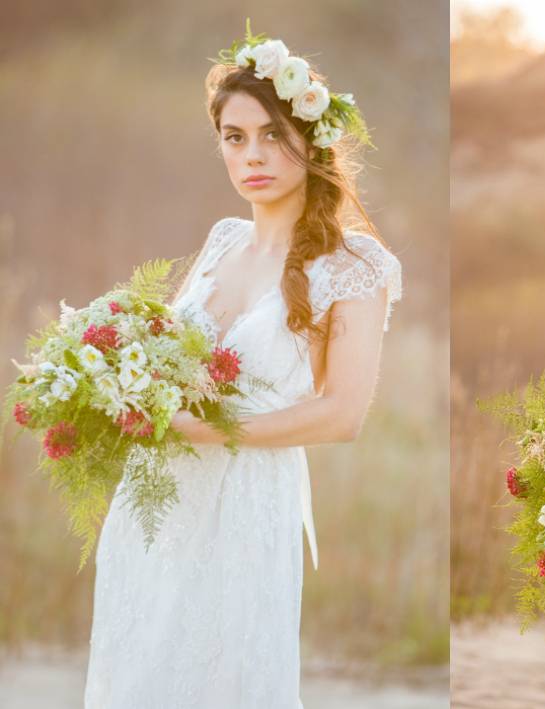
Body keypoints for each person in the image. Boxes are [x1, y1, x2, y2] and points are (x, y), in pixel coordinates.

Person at [84, 25, 401, 707]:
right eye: (234, 136)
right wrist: (110, 383)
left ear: (309, 138)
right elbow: (165, 359)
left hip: (247, 500)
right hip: (156, 499)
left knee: (229, 676)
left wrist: (210, 431)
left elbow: (343, 413)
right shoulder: (224, 240)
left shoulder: (355, 266)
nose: (251, 154)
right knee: (138, 671)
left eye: (270, 133)